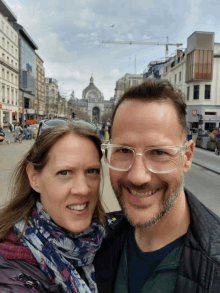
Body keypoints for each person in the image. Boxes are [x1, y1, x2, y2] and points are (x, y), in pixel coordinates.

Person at [94, 79, 220, 292]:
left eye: (159, 152)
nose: (138, 176)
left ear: (187, 157)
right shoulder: (96, 241)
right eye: (124, 150)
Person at [0, 121, 106, 292]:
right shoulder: (9, 270)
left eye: (91, 171)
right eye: (64, 173)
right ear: (34, 178)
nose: (83, 189)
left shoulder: (109, 240)